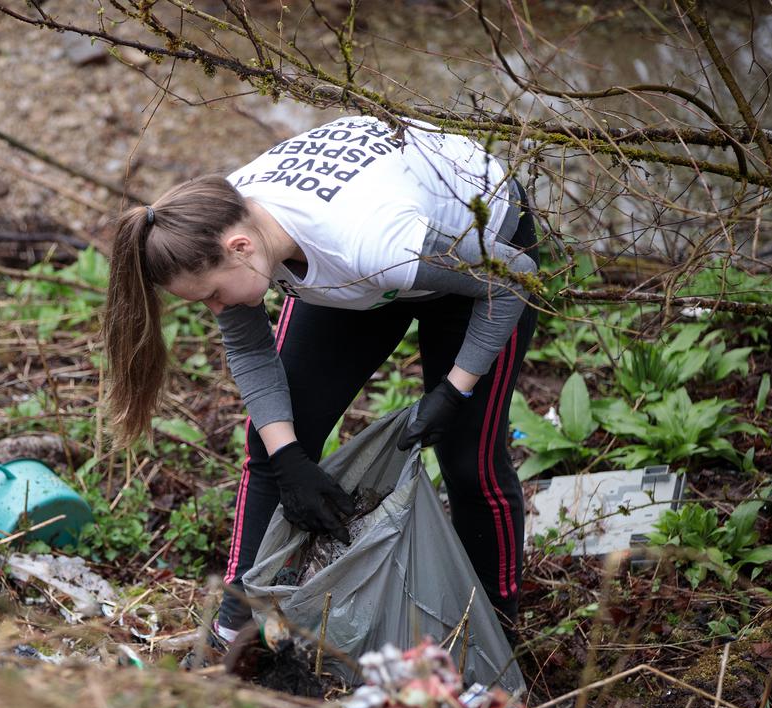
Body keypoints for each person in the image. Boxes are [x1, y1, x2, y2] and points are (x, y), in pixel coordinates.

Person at [103, 114, 541, 653]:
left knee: (468, 460)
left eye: (213, 294)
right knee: (275, 441)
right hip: (370, 262)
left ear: (241, 247)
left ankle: (494, 631)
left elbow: (512, 278)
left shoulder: (371, 243)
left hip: (481, 252)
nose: (215, 309)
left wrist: (455, 389)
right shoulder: (212, 225)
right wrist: (289, 461)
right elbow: (248, 348)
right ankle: (237, 623)